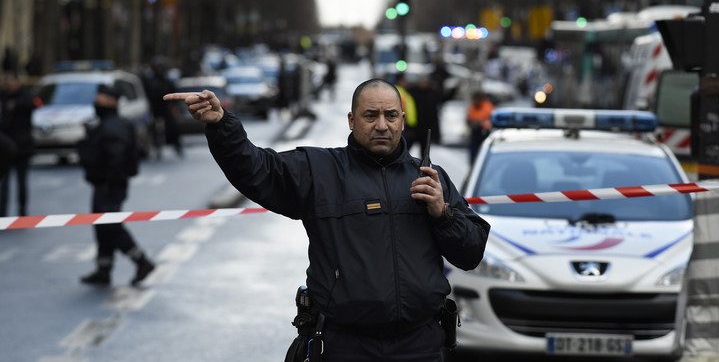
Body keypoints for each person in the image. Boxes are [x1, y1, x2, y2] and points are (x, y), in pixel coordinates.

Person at [164, 78, 490, 361]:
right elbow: (256, 169)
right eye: (371, 115)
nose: (382, 125)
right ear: (351, 120)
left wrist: (443, 213)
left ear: (403, 120)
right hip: (343, 346)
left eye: (391, 116)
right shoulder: (320, 170)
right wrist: (221, 124)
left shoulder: (431, 178)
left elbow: (471, 252)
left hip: (419, 346)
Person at [78, 84, 155, 286]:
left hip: (109, 186)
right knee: (103, 227)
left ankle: (141, 261)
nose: (96, 102)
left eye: (100, 98)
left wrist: (108, 184)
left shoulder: (113, 126)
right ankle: (104, 269)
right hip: (106, 185)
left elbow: (116, 159)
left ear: (110, 102)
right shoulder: (109, 124)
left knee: (111, 227)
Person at [0, 74, 39, 216]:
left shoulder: (25, 94)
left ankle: (22, 211)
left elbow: (37, 103)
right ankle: (2, 213)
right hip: (4, 147)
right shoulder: (3, 95)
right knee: (4, 183)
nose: (8, 84)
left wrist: (16, 104)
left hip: (22, 146)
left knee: (21, 181)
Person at [145, 57, 182, 158]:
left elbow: (174, 95)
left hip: (165, 108)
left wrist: (174, 106)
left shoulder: (167, 82)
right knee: (150, 127)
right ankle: (153, 146)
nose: (159, 70)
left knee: (174, 126)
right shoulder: (149, 82)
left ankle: (177, 146)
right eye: (158, 68)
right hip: (153, 109)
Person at [466, 91, 495, 165]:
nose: (475, 102)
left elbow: (490, 121)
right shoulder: (472, 107)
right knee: (473, 156)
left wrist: (478, 122)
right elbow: (468, 120)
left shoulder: (488, 107)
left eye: (476, 100)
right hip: (475, 134)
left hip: (484, 134)